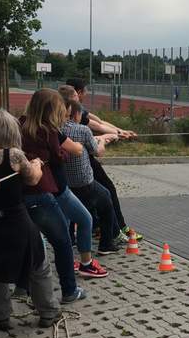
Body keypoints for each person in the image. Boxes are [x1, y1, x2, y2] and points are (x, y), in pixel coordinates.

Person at [0, 108, 61, 332]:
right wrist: (36, 164)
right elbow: (33, 179)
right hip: (16, 225)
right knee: (38, 264)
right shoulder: (14, 155)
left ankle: (2, 317)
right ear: (8, 130)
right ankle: (48, 312)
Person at [21, 89, 108, 280]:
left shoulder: (23, 125)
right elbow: (62, 155)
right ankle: (82, 268)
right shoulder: (49, 130)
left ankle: (25, 283)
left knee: (42, 234)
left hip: (34, 190)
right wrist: (68, 151)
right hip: (56, 188)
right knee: (80, 224)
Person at [62, 80, 144, 241]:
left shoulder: (74, 113)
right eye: (79, 94)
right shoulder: (75, 116)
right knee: (105, 192)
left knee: (80, 197)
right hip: (83, 163)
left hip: (76, 165)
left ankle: (94, 227)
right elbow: (97, 131)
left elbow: (99, 121)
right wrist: (114, 135)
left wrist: (120, 131)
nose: (82, 96)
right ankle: (115, 231)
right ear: (75, 95)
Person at [61, 100, 127, 255]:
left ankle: (70, 241)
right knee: (106, 200)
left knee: (70, 211)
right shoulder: (83, 130)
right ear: (77, 114)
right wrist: (103, 140)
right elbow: (98, 152)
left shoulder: (57, 130)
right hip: (84, 181)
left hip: (65, 183)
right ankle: (106, 243)